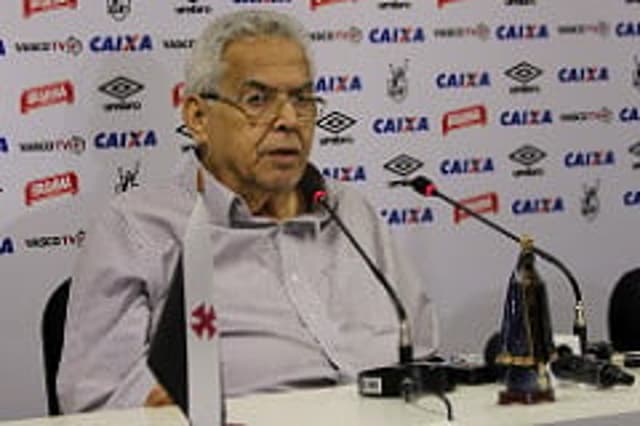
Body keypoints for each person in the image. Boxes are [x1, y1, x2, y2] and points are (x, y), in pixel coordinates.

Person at [57, 10, 438, 413]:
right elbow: (98, 399)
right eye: (257, 100)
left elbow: (425, 353)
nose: (289, 120)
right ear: (198, 118)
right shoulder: (139, 229)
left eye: (302, 99)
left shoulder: (351, 212)